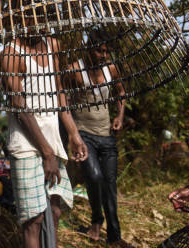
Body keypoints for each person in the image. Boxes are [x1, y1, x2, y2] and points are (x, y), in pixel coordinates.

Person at [0, 35, 88, 248]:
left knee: (55, 211)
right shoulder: (10, 54)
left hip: (52, 140)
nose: (36, 17)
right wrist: (46, 152)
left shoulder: (52, 45)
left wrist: (74, 133)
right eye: (31, 12)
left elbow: (58, 90)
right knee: (33, 220)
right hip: (26, 146)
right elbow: (19, 106)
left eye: (42, 11)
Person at [64, 30, 134, 248]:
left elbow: (121, 91)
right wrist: (72, 134)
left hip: (106, 135)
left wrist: (119, 116)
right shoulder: (74, 70)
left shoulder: (111, 68)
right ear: (88, 48)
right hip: (84, 134)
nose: (103, 55)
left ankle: (114, 237)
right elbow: (63, 101)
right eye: (98, 50)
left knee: (110, 185)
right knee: (94, 177)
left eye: (106, 51)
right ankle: (96, 219)